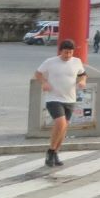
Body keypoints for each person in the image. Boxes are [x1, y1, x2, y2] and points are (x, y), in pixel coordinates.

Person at [34, 38, 86, 167]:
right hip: (53, 98)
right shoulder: (50, 62)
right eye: (65, 52)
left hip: (70, 98)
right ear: (60, 51)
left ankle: (55, 152)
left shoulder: (77, 61)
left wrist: (82, 81)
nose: (68, 55)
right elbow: (38, 73)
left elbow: (83, 74)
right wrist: (44, 82)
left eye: (70, 52)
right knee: (60, 122)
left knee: (64, 128)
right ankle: (51, 150)